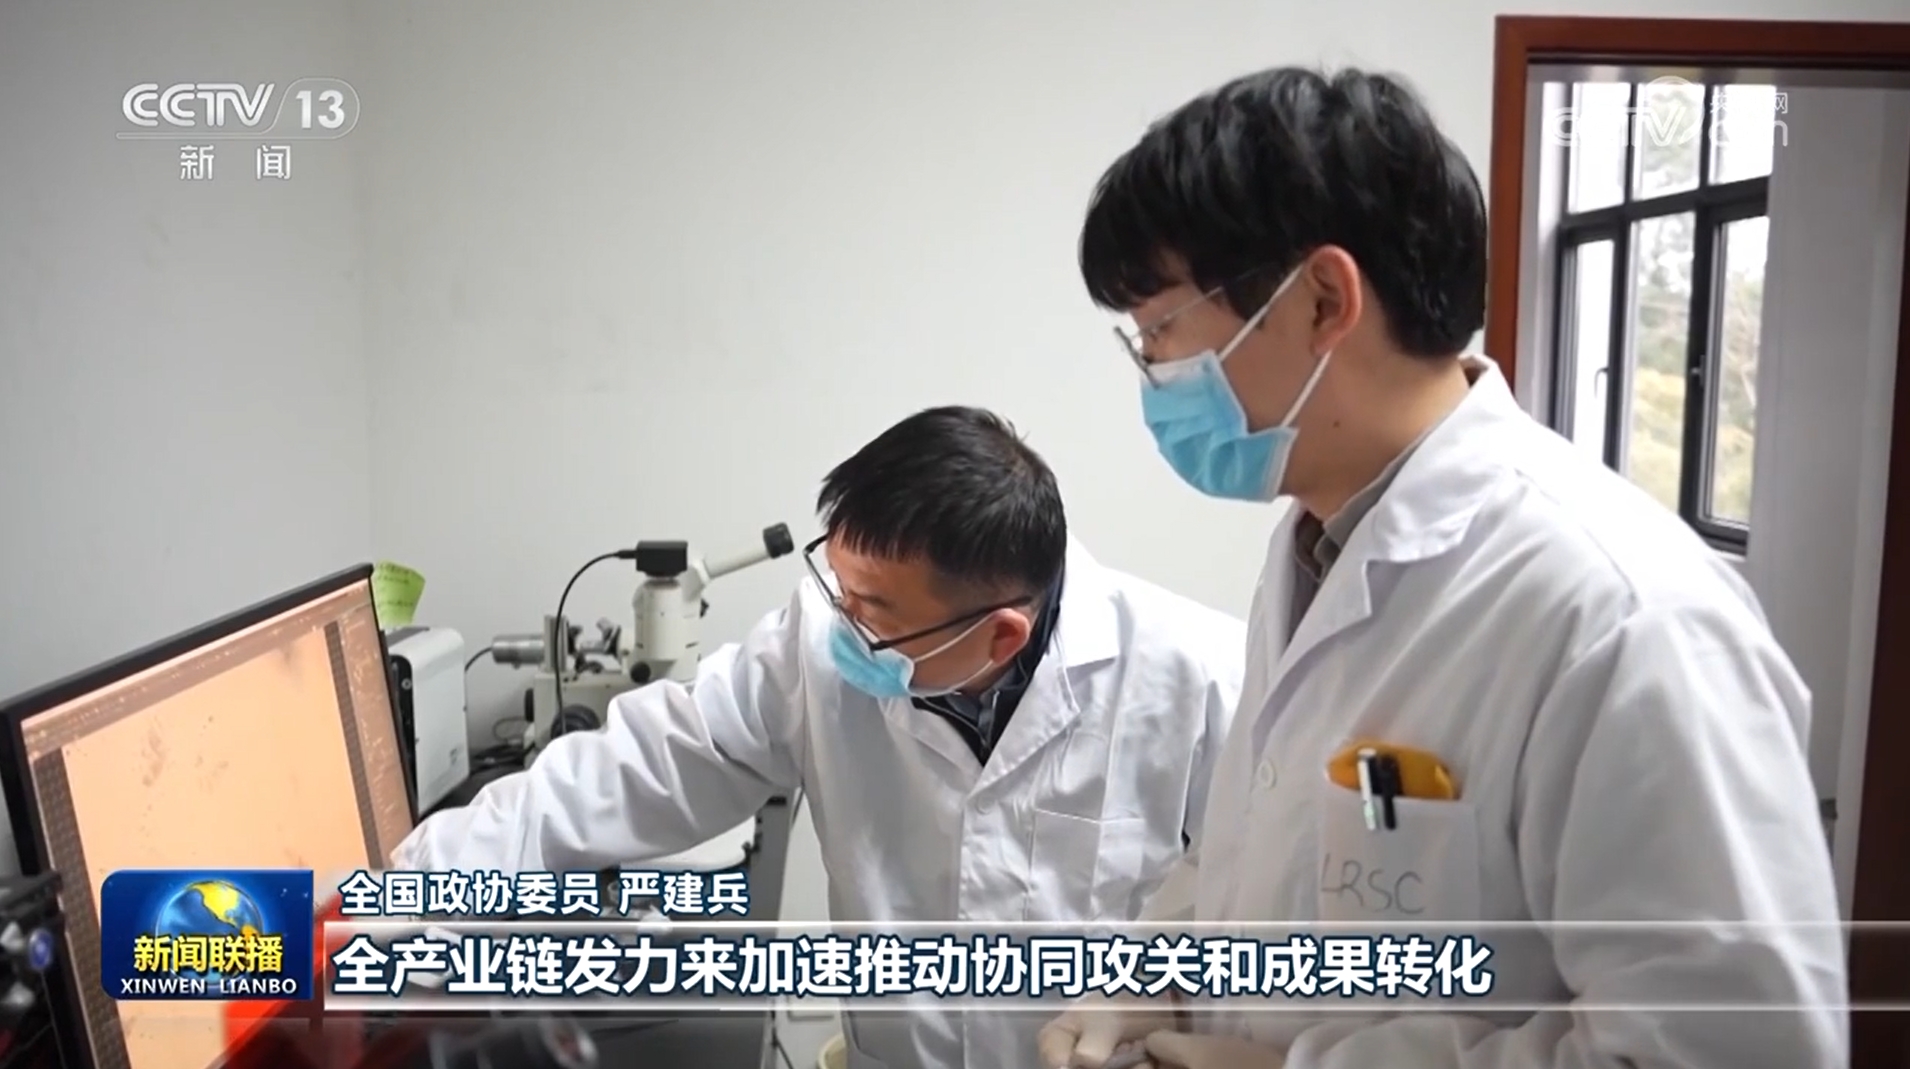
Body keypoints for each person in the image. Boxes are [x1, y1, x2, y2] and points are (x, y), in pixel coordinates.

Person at [1038, 66, 1845, 1069]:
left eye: (1160, 329)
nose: (1153, 374)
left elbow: (1735, 1047)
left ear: (1323, 298)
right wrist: (1153, 972)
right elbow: (1264, 855)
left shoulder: (1623, 615)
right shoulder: (1318, 546)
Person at [394, 405, 1246, 1069]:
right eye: (838, 582)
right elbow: (628, 770)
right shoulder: (817, 643)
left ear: (999, 637)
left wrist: (1166, 986)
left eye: (872, 609)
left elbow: (1262, 904)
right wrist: (390, 900)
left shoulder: (1201, 679)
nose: (840, 619)